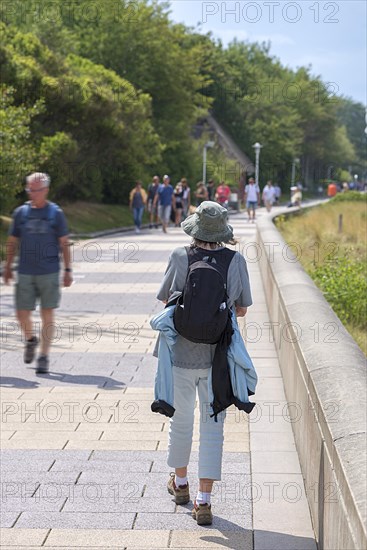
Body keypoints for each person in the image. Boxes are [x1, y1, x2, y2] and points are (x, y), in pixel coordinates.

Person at [155, 201, 254, 526]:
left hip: (181, 357)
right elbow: (241, 309)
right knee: (213, 428)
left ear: (195, 227)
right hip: (218, 360)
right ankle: (204, 500)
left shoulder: (180, 257)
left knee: (180, 421)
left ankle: (180, 483)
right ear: (222, 231)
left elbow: (165, 300)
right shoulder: (235, 260)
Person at [3, 172, 72, 374]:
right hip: (24, 271)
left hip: (49, 272)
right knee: (21, 313)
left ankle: (44, 356)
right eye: (29, 190)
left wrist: (68, 270)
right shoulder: (20, 213)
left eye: (36, 190)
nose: (32, 193)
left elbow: (64, 243)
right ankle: (31, 339)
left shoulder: (55, 213)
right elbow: (12, 241)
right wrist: (7, 266)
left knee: (47, 313)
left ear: (46, 190)